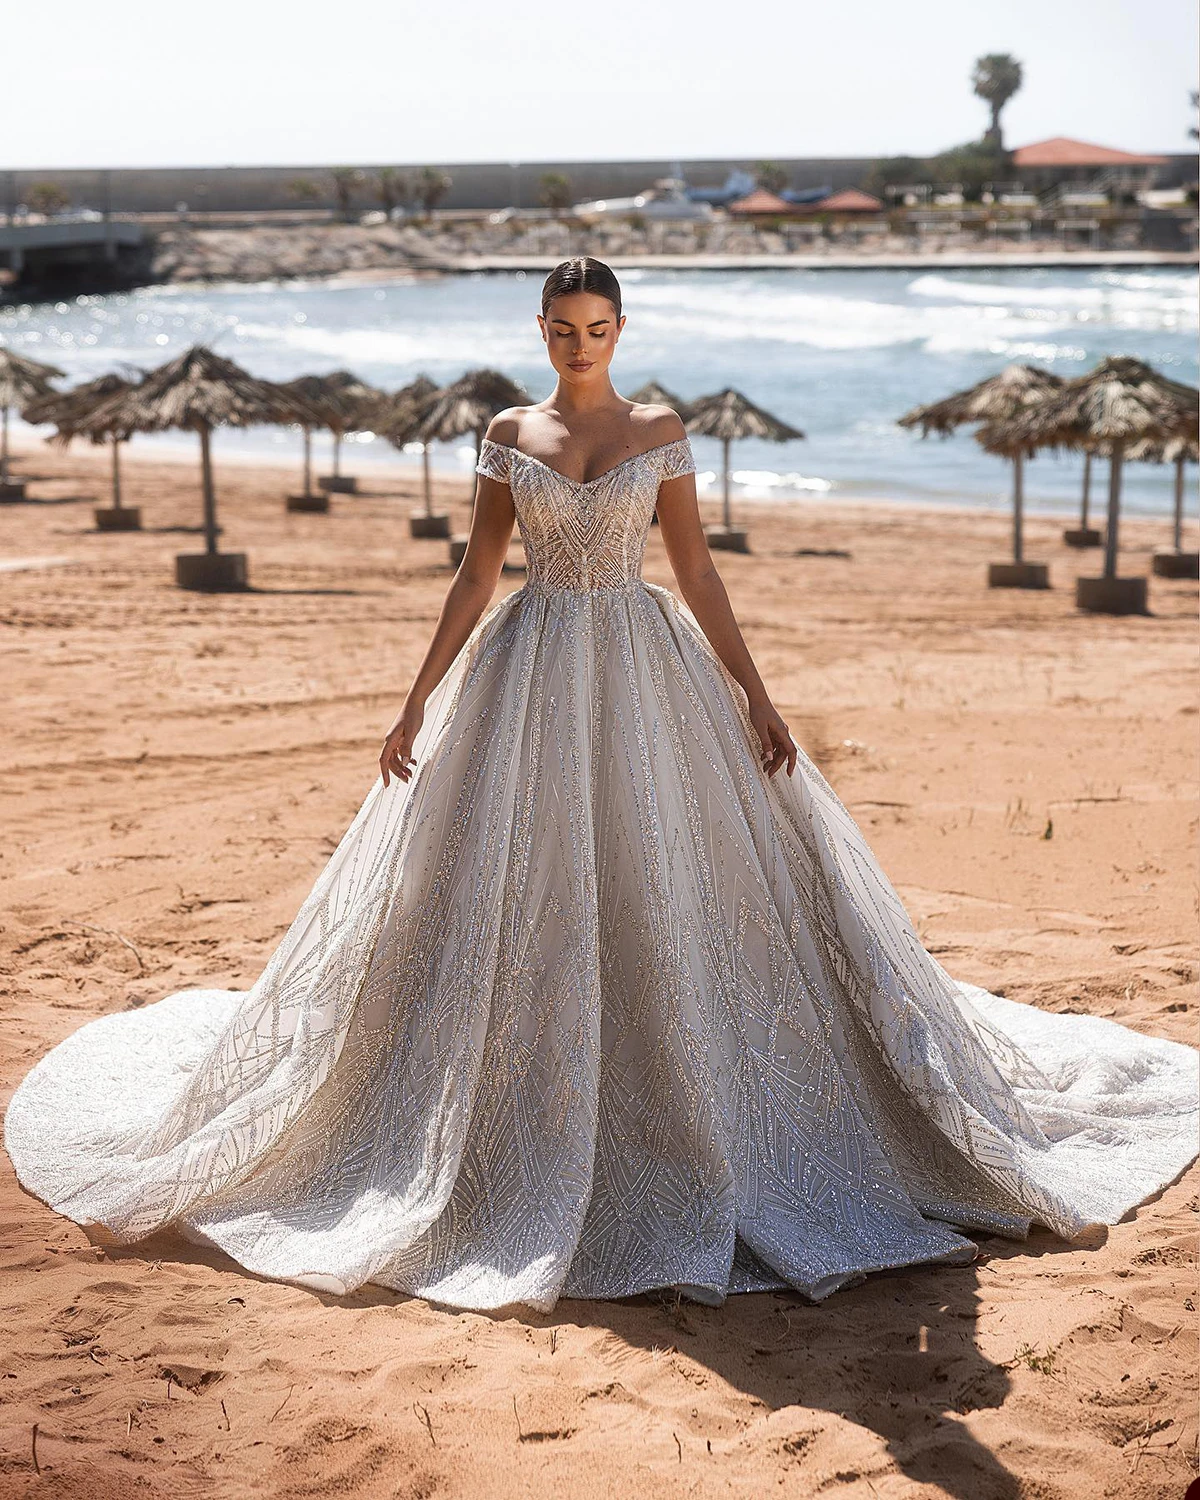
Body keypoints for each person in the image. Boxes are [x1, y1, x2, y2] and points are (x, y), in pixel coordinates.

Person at [5, 257, 1197, 1315]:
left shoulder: (660, 429)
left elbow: (697, 571)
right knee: (498, 887)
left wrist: (757, 692)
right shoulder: (508, 436)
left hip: (646, 664)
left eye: (600, 327)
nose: (583, 343)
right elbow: (476, 575)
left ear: (621, 330)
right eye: (564, 327)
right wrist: (418, 695)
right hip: (527, 670)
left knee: (664, 874)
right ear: (541, 330)